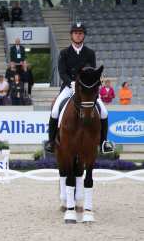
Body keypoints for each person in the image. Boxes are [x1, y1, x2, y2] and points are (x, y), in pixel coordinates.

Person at [45, 23, 114, 154]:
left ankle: (104, 142)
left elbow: (92, 72)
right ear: (72, 35)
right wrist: (70, 83)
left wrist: (84, 84)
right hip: (68, 87)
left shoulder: (90, 53)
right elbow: (62, 71)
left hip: (86, 89)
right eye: (76, 33)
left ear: (84, 35)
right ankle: (51, 142)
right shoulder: (64, 53)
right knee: (55, 110)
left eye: (80, 33)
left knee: (104, 112)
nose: (78, 35)